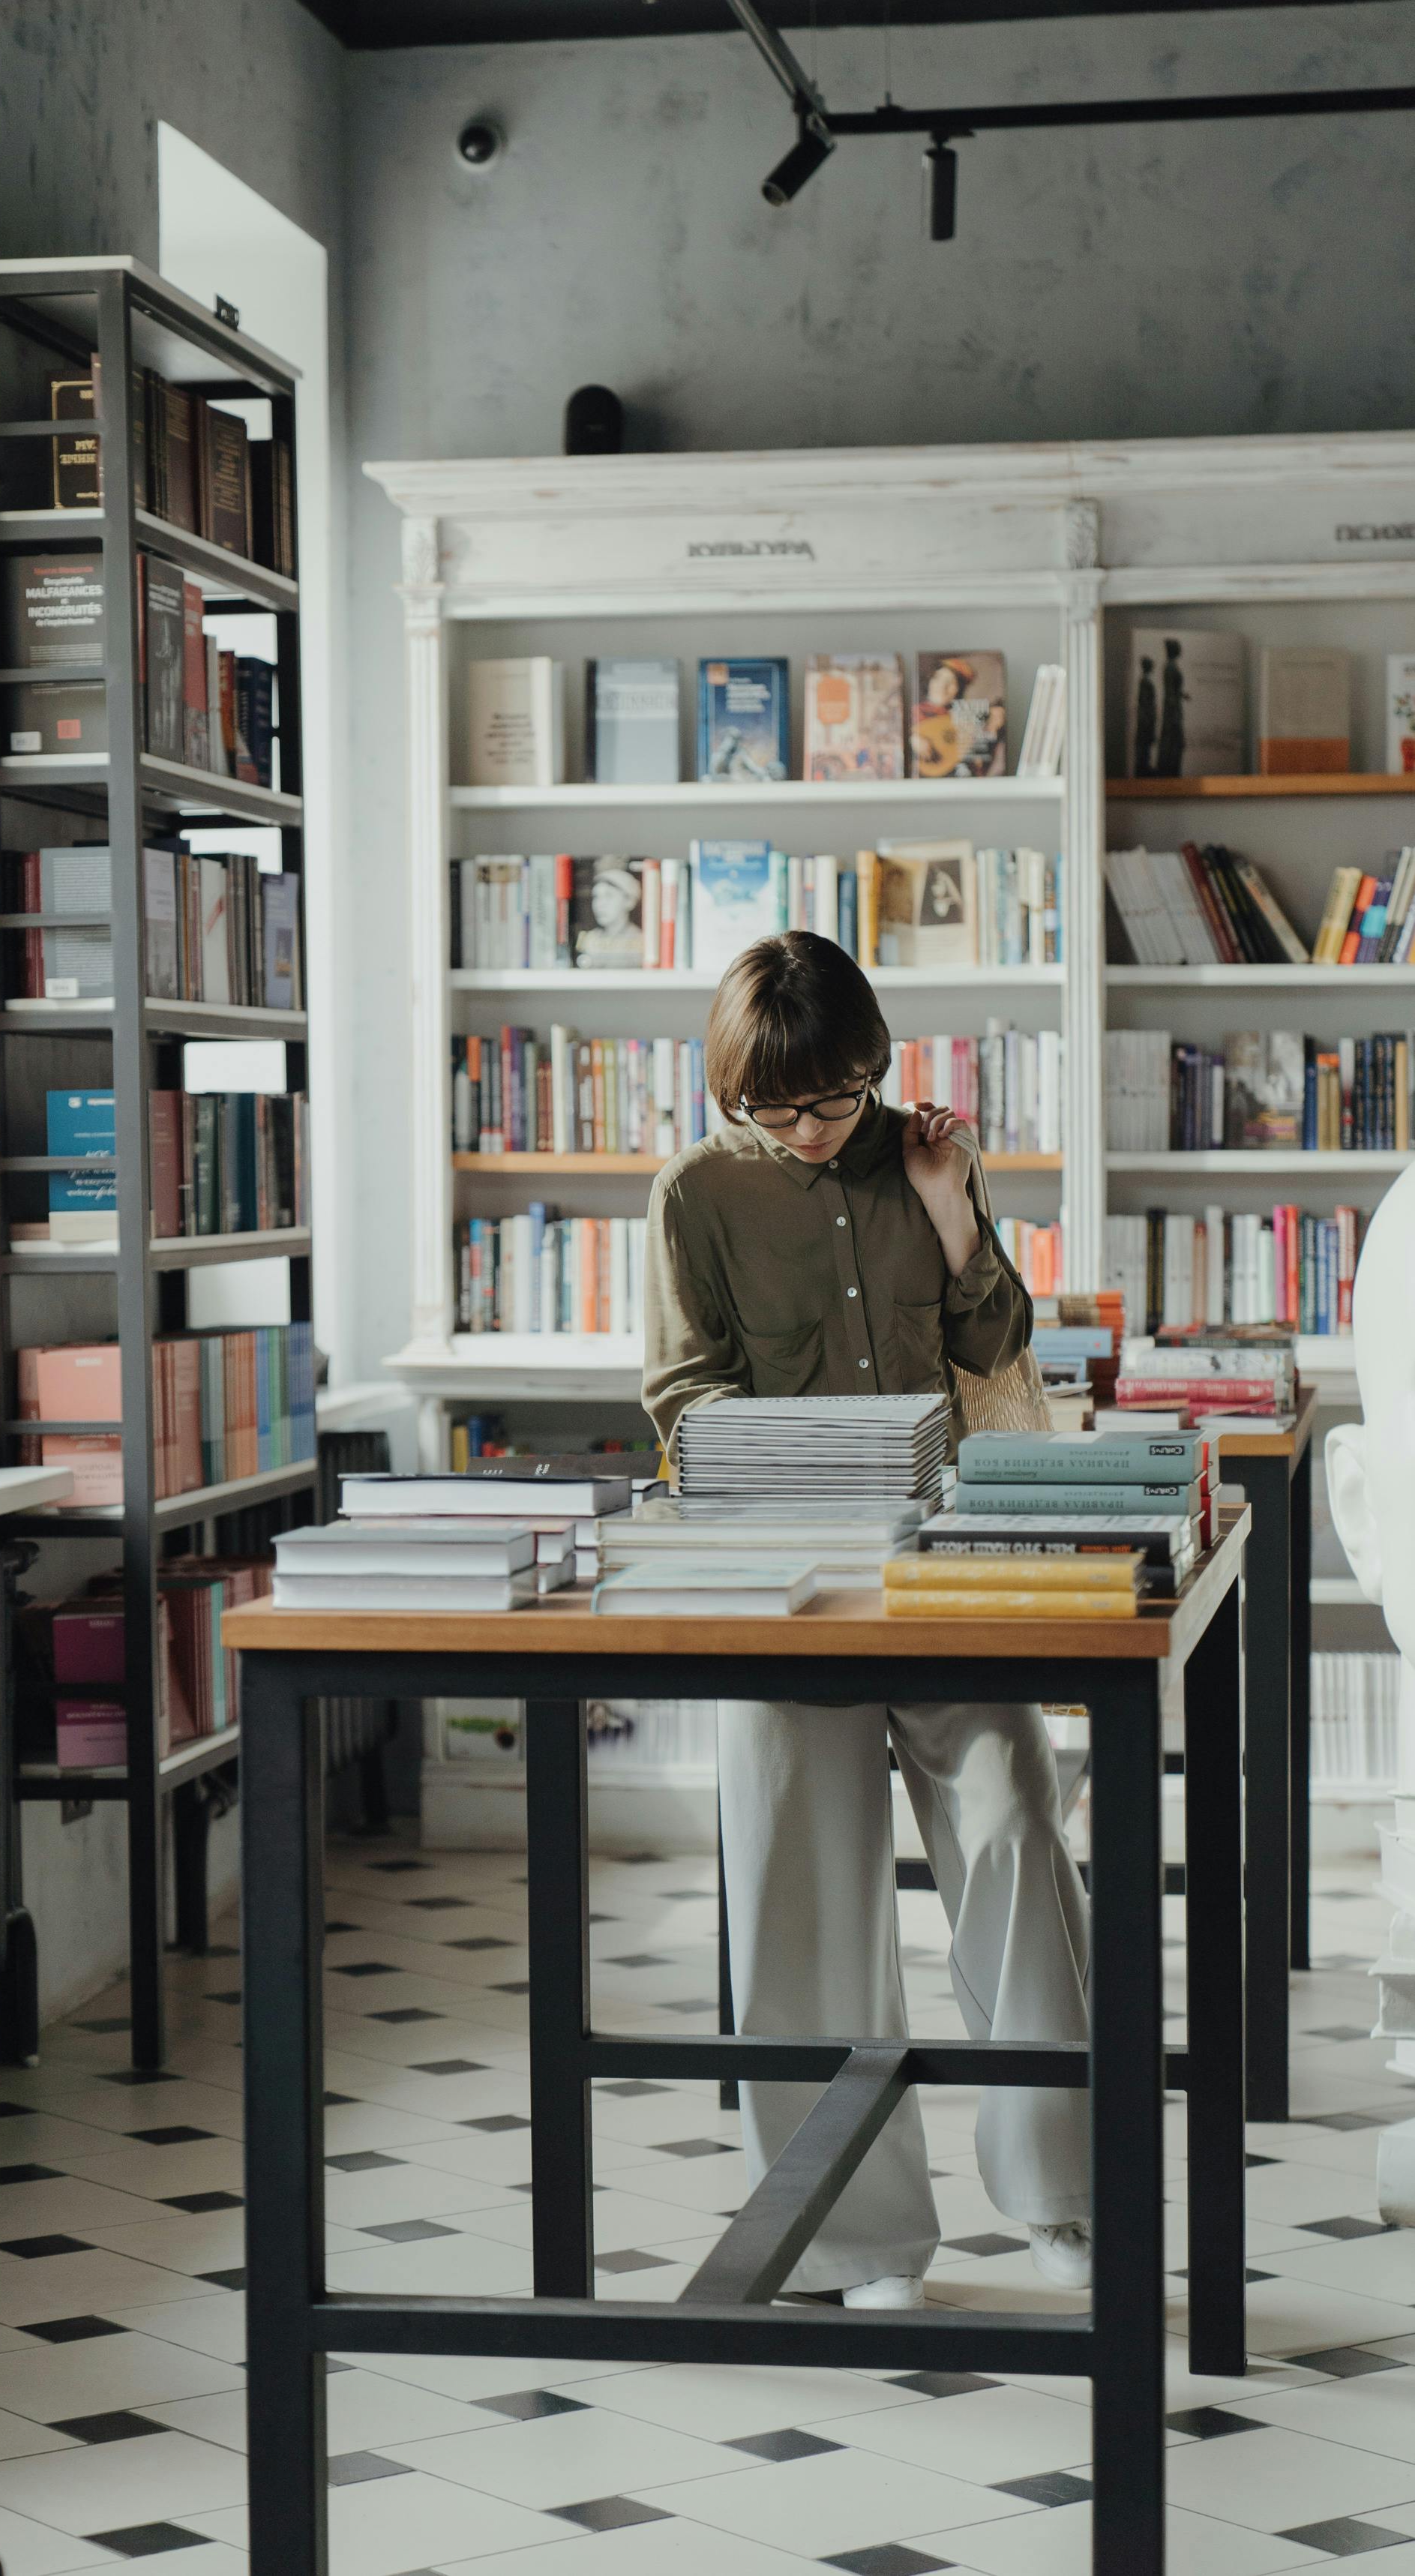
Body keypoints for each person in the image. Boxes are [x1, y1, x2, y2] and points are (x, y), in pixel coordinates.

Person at [642, 929, 1093, 2306]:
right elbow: (680, 1397)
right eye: (765, 1107)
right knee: (802, 1911)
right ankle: (853, 2238)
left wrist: (953, 1207)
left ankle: (1061, 2197)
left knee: (1019, 1848)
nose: (798, 1128)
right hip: (780, 1587)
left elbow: (995, 1346)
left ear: (870, 1066)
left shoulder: (924, 1157)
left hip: (946, 1575)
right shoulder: (696, 1193)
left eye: (826, 1100)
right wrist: (820, 1458)